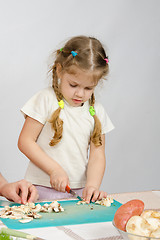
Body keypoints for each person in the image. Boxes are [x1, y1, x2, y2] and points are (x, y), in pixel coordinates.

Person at [18, 36, 114, 203]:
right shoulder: (45, 99)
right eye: (73, 85)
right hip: (41, 189)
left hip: (78, 193)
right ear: (59, 70)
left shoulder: (96, 111)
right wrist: (54, 169)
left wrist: (92, 186)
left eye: (88, 88)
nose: (80, 94)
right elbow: (25, 141)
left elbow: (97, 154)